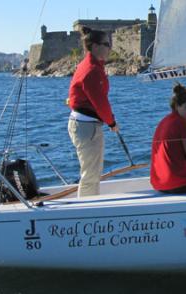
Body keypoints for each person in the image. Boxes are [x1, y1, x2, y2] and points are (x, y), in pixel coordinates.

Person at [68, 26, 119, 196]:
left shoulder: (91, 66)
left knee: (92, 171)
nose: (109, 48)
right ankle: (85, 212)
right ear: (95, 46)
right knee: (91, 174)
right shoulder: (92, 71)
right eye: (106, 44)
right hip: (86, 127)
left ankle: (89, 205)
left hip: (84, 125)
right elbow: (100, 103)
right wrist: (111, 123)